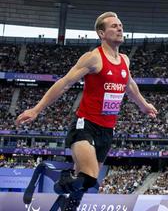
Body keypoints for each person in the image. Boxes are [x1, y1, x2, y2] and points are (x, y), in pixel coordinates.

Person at [16, 12, 158, 210]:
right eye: (114, 26)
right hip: (85, 125)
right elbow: (65, 83)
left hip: (107, 130)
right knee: (89, 177)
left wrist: (143, 105)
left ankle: (69, 206)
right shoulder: (93, 58)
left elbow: (129, 84)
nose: (119, 28)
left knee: (84, 184)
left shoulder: (125, 60)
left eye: (120, 25)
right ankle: (47, 170)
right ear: (101, 33)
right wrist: (36, 109)